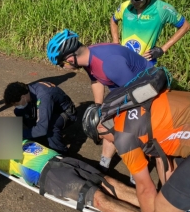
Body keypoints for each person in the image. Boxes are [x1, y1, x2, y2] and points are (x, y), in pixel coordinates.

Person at [82, 90, 190, 212]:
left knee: (165, 209)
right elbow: (162, 161)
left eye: (100, 139)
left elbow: (146, 189)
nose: (107, 142)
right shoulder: (131, 109)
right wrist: (172, 195)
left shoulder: (123, 136)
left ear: (101, 128)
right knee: (171, 195)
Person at [47, 29, 154, 173]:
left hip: (145, 92)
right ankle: (104, 165)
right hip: (125, 89)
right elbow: (96, 80)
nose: (62, 68)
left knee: (128, 130)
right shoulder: (87, 57)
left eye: (61, 64)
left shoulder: (108, 63)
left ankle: (138, 172)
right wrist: (99, 108)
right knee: (104, 122)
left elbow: (134, 94)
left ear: (70, 59)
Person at [0, 140, 141, 212]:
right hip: (49, 175)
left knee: (109, 182)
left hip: (63, 160)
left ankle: (158, 207)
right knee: (97, 198)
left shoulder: (21, 138)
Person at [110, 0, 189, 65]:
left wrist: (163, 49)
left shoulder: (162, 9)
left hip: (145, 64)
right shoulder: (125, 6)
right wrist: (115, 41)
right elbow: (113, 20)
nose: (133, 2)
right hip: (124, 60)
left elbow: (185, 26)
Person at [3, 81, 77, 155]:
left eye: (16, 104)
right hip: (49, 108)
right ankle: (38, 137)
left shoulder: (44, 96)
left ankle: (61, 153)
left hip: (66, 113)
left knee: (50, 127)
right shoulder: (28, 90)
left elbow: (42, 128)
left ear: (23, 97)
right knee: (19, 111)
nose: (16, 105)